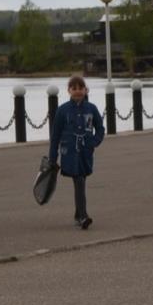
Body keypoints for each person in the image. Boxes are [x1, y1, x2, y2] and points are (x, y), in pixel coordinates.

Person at [47, 75, 105, 229]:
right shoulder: (62, 110)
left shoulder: (91, 108)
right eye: (74, 88)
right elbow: (55, 136)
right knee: (79, 180)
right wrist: (53, 158)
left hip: (86, 152)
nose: (78, 91)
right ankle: (83, 216)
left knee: (81, 180)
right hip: (69, 152)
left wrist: (93, 142)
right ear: (69, 91)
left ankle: (77, 214)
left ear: (86, 90)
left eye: (81, 88)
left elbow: (100, 129)